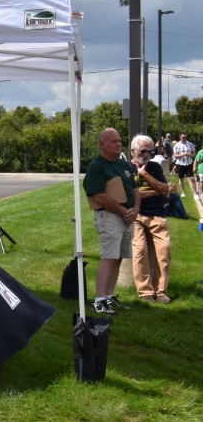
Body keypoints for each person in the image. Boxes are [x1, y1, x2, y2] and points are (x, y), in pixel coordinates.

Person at [83, 128, 140, 315]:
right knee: (109, 257)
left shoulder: (123, 164)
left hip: (127, 217)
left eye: (119, 141)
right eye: (113, 141)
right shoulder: (97, 166)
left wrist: (135, 210)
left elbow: (135, 189)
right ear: (102, 144)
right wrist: (124, 211)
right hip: (110, 217)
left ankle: (109, 296)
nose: (118, 144)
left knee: (118, 258)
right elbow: (98, 196)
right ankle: (99, 300)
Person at [129, 135, 173, 304]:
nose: (147, 154)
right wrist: (157, 192)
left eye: (150, 151)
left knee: (165, 250)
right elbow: (130, 195)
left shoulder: (154, 167)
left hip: (157, 214)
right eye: (143, 151)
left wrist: (145, 174)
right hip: (136, 215)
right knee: (140, 251)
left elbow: (164, 188)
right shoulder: (126, 168)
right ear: (133, 151)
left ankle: (161, 291)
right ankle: (145, 291)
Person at [171, 132, 196, 198]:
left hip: (189, 163)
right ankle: (183, 193)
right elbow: (175, 155)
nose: (184, 139)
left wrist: (190, 155)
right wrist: (182, 155)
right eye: (183, 138)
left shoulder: (190, 144)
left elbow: (194, 154)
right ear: (180, 137)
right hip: (180, 163)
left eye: (186, 137)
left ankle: (195, 193)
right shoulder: (177, 145)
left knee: (192, 178)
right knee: (181, 178)